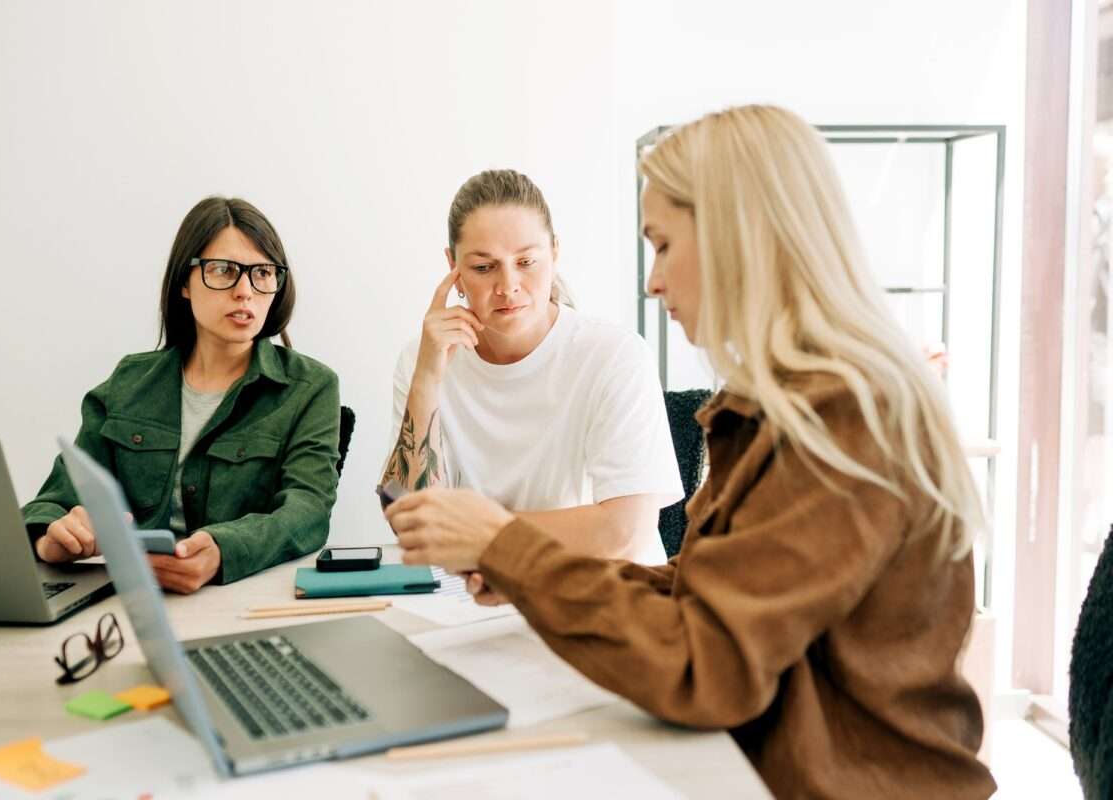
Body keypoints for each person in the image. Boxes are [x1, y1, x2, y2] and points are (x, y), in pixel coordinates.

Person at [384, 107, 997, 798]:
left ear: (741, 239)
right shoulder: (782, 403)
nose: (652, 280)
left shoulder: (846, 418)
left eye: (664, 245)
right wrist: (527, 571)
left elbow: (709, 666)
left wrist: (510, 546)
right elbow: (707, 593)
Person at [22, 196, 341, 593]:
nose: (246, 291)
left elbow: (307, 511)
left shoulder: (310, 388)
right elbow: (54, 500)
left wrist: (223, 550)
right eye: (224, 270)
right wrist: (52, 539)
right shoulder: (128, 383)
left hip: (241, 598)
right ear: (184, 284)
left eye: (262, 273)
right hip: (131, 601)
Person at [381, 169, 683, 576]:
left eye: (526, 262)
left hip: (609, 595)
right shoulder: (423, 358)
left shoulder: (614, 355)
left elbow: (623, 531)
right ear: (453, 266)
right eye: (484, 267)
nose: (508, 286)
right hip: (480, 596)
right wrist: (427, 381)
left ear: (554, 253)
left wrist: (477, 535)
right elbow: (411, 523)